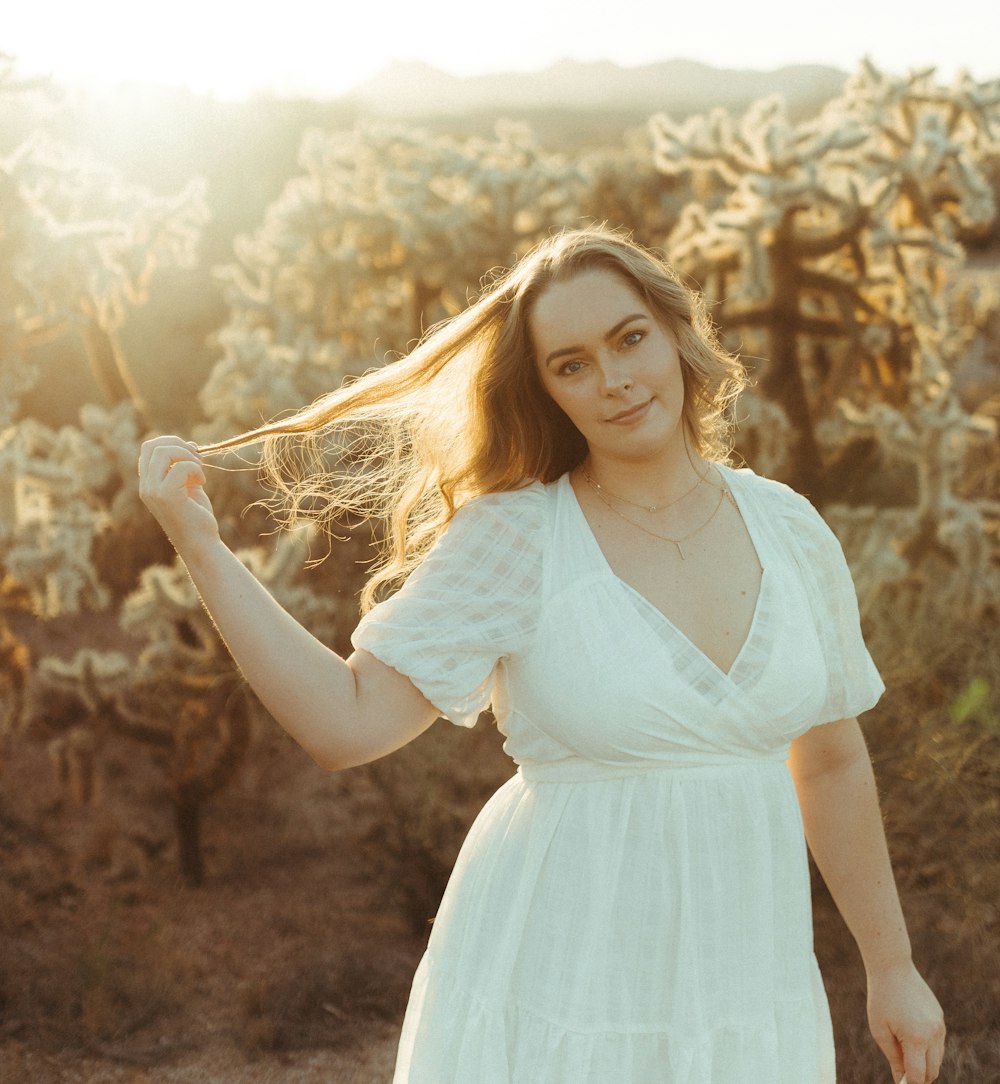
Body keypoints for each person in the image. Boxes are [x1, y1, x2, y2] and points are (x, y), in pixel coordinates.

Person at [138, 227, 946, 1084]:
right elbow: (346, 723)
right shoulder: (519, 536)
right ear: (548, 391)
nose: (615, 381)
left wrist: (891, 966)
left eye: (629, 339)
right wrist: (203, 547)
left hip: (745, 986)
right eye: (572, 364)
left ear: (676, 332)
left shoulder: (789, 528)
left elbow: (829, 764)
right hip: (559, 990)